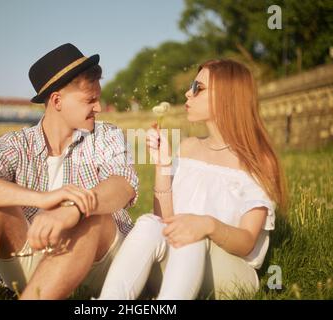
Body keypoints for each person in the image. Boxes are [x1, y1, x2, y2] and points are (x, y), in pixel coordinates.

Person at [0, 43, 138, 300]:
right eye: (90, 100)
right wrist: (41, 199)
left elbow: (123, 184)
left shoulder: (106, 136)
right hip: (37, 263)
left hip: (99, 265)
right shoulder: (16, 144)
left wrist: (73, 209)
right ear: (57, 101)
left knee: (93, 216)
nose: (98, 108)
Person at [98, 59, 288, 300]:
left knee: (192, 232)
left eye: (198, 88)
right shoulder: (188, 147)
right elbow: (165, 221)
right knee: (148, 223)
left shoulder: (258, 161)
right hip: (179, 264)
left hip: (228, 274)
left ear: (226, 96)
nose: (189, 93)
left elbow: (247, 243)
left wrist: (207, 225)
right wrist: (163, 165)